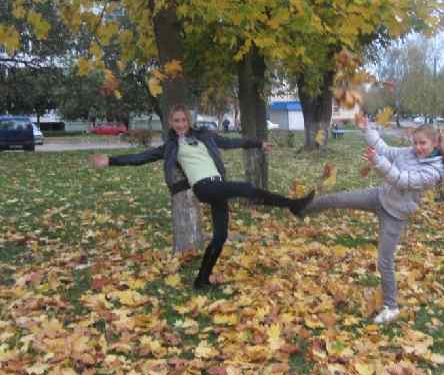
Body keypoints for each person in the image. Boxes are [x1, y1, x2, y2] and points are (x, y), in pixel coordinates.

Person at [89, 104, 314, 289]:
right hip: (203, 187)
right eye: (176, 121)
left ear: (189, 121)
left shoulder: (205, 136)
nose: (180, 124)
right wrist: (111, 161)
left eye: (183, 120)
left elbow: (231, 142)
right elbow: (141, 157)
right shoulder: (170, 146)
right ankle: (293, 205)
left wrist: (259, 143)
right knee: (247, 188)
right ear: (171, 123)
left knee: (220, 236)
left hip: (218, 185)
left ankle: (202, 280)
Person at [298, 117, 444, 324]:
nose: (417, 147)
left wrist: (377, 162)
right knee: (337, 198)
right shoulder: (409, 152)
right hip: (379, 196)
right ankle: (301, 208)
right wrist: (367, 128)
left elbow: (402, 180)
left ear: (435, 143)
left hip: (395, 214)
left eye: (422, 143)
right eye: (415, 142)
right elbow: (385, 149)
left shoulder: (433, 171)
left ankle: (391, 307)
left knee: (384, 261)